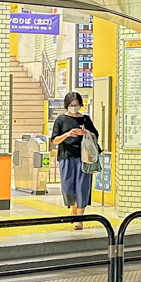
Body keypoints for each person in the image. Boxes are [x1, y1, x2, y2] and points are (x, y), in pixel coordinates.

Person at [48, 91, 100, 229]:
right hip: (66, 156)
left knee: (82, 186)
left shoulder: (85, 119)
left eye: (76, 105)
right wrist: (67, 134)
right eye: (71, 105)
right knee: (68, 186)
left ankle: (79, 219)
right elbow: (54, 140)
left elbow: (96, 135)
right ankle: (74, 211)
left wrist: (85, 133)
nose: (74, 107)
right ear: (67, 105)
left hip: (84, 157)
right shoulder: (60, 120)